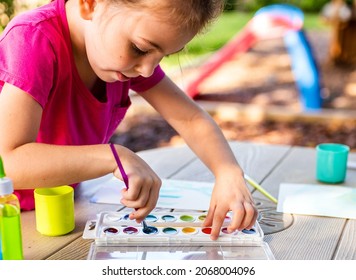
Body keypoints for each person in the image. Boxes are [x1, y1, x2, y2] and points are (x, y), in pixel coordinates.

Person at [0, 0, 257, 240]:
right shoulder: (33, 41)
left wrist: (228, 172)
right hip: (9, 218)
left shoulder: (120, 57)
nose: (147, 70)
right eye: (140, 48)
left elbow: (190, 118)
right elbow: (8, 163)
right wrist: (114, 156)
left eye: (162, 56)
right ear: (89, 4)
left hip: (64, 212)